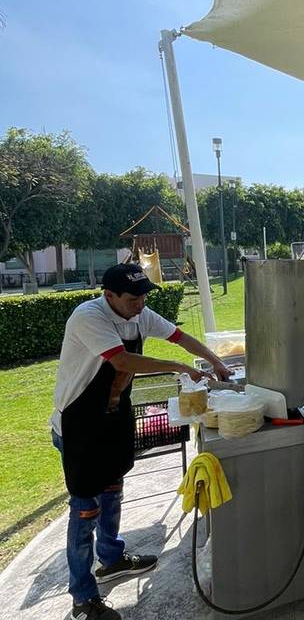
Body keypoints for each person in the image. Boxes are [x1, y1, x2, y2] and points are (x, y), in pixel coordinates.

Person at [51, 263, 231, 620]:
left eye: (144, 295)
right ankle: (83, 598)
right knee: (85, 510)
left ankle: (112, 558)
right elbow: (122, 360)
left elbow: (178, 336)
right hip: (79, 422)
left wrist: (216, 361)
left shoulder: (139, 314)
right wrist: (181, 369)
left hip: (114, 414)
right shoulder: (89, 317)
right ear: (110, 296)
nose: (141, 303)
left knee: (113, 489)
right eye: (134, 297)